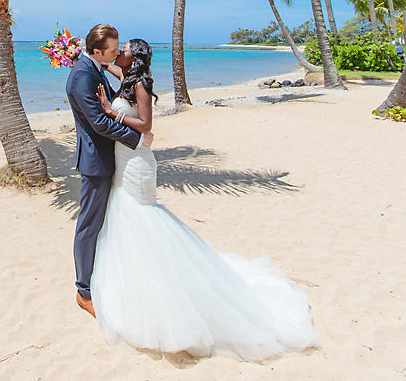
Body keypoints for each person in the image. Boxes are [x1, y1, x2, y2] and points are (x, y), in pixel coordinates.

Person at [90, 38, 320, 362]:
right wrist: (76, 53)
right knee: (127, 217)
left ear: (135, 57)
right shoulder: (127, 76)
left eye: (124, 49)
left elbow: (146, 125)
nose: (119, 52)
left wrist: (110, 112)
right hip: (125, 160)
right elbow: (105, 63)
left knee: (142, 216)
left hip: (138, 164)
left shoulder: (139, 85)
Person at [65, 24, 153, 319]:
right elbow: (99, 123)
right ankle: (84, 291)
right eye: (113, 50)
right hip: (95, 163)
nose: (116, 54)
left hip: (111, 158)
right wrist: (138, 139)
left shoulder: (97, 67)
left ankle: (101, 278)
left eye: (119, 49)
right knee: (89, 225)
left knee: (106, 222)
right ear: (97, 51)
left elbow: (117, 103)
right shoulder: (83, 75)